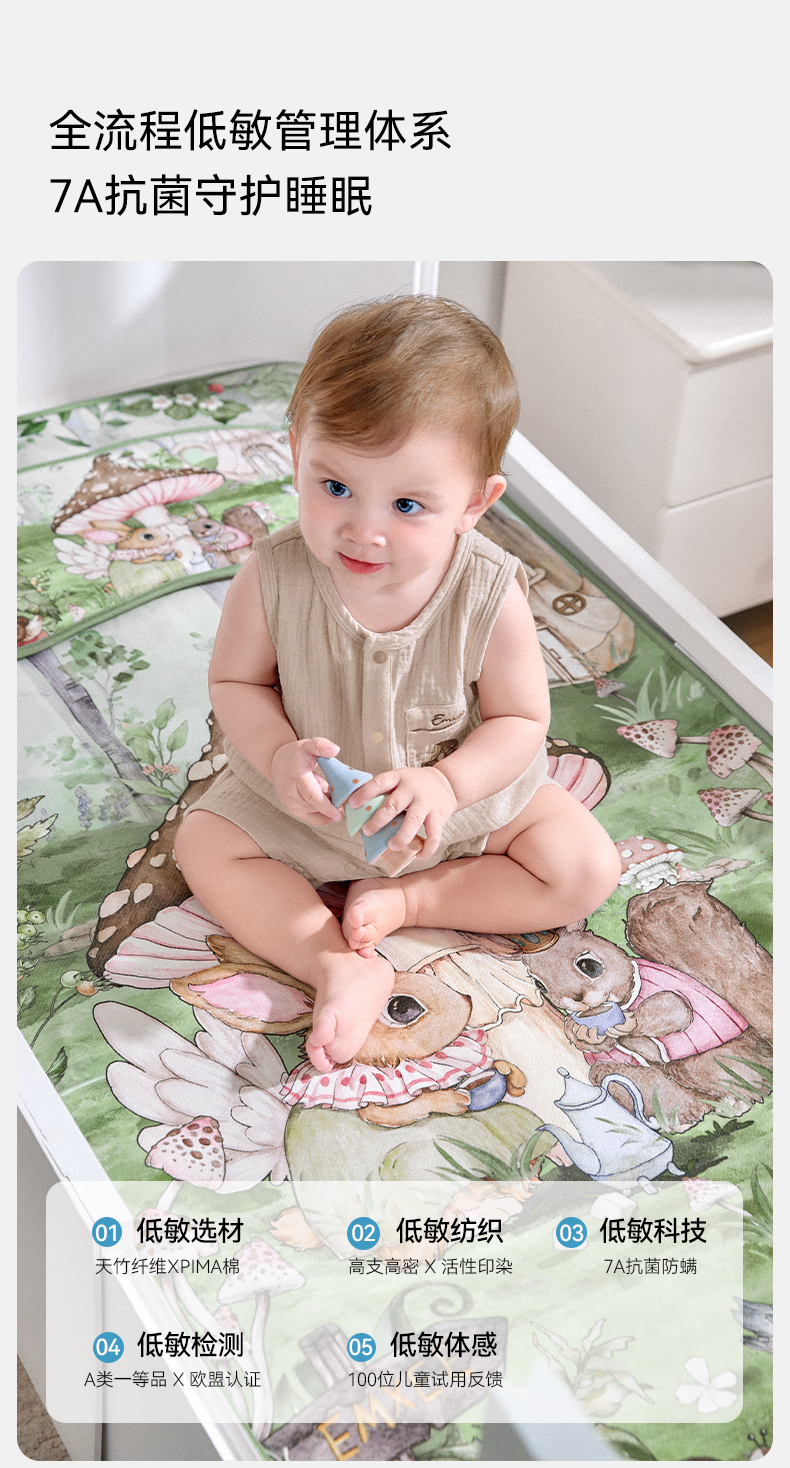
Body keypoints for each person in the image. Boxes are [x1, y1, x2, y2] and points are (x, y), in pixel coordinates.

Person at [174, 296, 621, 1075]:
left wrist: (449, 784)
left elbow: (520, 720)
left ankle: (417, 901)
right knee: (203, 845)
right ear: (297, 452)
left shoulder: (490, 592)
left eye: (408, 504)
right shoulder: (272, 575)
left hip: (452, 806)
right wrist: (278, 756)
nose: (363, 528)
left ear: (475, 504)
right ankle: (333, 962)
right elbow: (236, 681)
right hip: (308, 803)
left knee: (585, 866)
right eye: (334, 486)